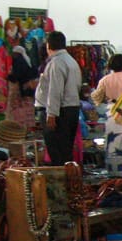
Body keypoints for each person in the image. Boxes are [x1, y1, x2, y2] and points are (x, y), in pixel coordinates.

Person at [35, 31, 82, 165]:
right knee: (66, 151)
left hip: (59, 112)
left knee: (57, 152)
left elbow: (55, 90)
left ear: (48, 45)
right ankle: (69, 179)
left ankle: (62, 180)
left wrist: (51, 114)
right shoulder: (71, 61)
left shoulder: (57, 62)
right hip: (71, 109)